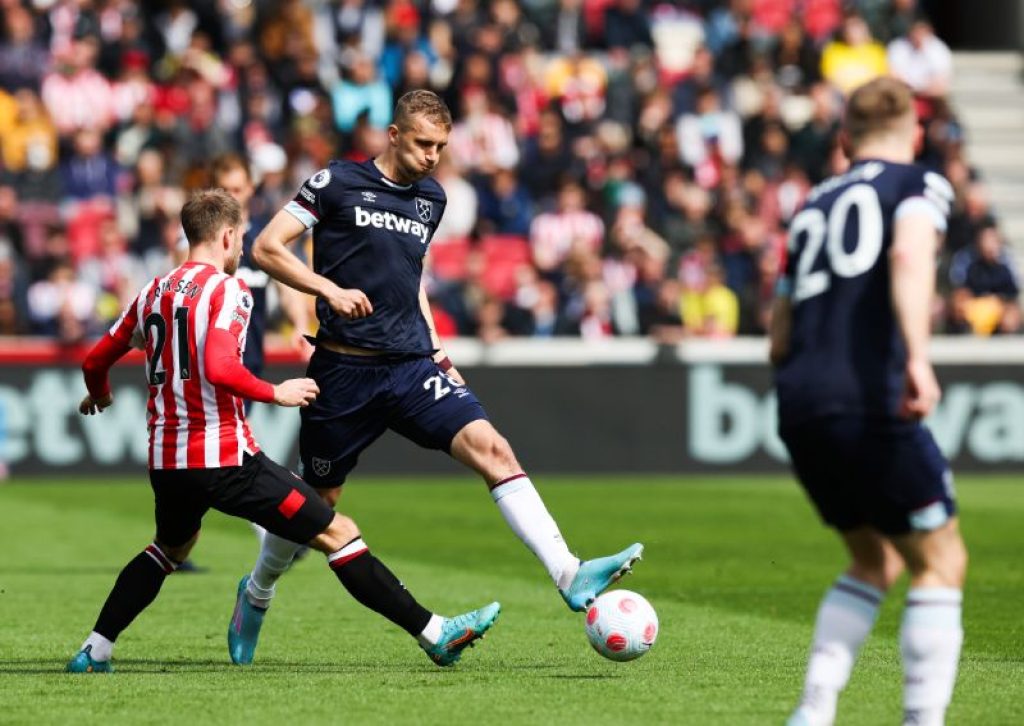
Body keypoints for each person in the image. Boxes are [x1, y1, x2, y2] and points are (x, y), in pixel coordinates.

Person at [227, 90, 643, 665]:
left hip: (412, 365)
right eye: (424, 144)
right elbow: (268, 247)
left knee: (493, 448)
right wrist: (328, 290)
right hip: (343, 373)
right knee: (317, 507)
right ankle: (257, 591)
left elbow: (409, 278)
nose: (433, 157)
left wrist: (439, 351)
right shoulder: (336, 183)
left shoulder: (432, 198)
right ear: (393, 136)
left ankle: (567, 571)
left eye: (442, 147)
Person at [65, 189, 500, 674]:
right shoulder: (230, 291)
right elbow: (219, 366)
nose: (242, 246)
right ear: (228, 236)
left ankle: (95, 649)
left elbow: (94, 359)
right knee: (339, 533)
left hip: (167, 462)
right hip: (225, 460)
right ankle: (435, 633)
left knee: (170, 549)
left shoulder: (152, 292)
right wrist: (279, 392)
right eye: (243, 237)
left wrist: (100, 393)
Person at [770, 77, 966, 726]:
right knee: (940, 560)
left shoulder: (810, 204)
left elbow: (778, 329)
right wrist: (916, 357)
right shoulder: (918, 183)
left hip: (799, 402)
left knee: (871, 560)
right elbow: (910, 253)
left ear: (846, 140)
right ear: (915, 133)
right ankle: (923, 718)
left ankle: (814, 709)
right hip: (867, 395)